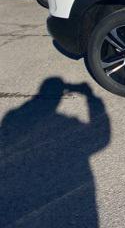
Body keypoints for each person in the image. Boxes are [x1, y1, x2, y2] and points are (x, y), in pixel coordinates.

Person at [0, 77, 111, 227]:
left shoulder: (14, 116)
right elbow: (100, 138)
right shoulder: (66, 123)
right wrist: (90, 96)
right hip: (70, 196)